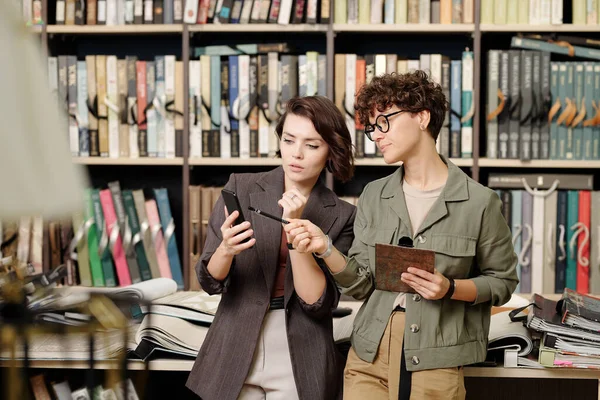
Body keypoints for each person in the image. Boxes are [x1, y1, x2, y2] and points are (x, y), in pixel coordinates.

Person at [284, 71, 519, 400]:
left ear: (422, 118)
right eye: (372, 127)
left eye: (385, 122)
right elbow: (361, 283)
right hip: (369, 355)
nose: (377, 135)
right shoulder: (374, 195)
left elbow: (503, 283)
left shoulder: (479, 202)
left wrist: (450, 287)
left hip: (438, 361)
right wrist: (325, 247)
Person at [186, 95, 357, 400]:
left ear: (331, 150)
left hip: (300, 349)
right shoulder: (241, 187)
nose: (297, 153)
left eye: (312, 145)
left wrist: (294, 234)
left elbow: (317, 303)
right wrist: (226, 249)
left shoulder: (342, 213)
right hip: (235, 343)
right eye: (289, 140)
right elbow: (209, 281)